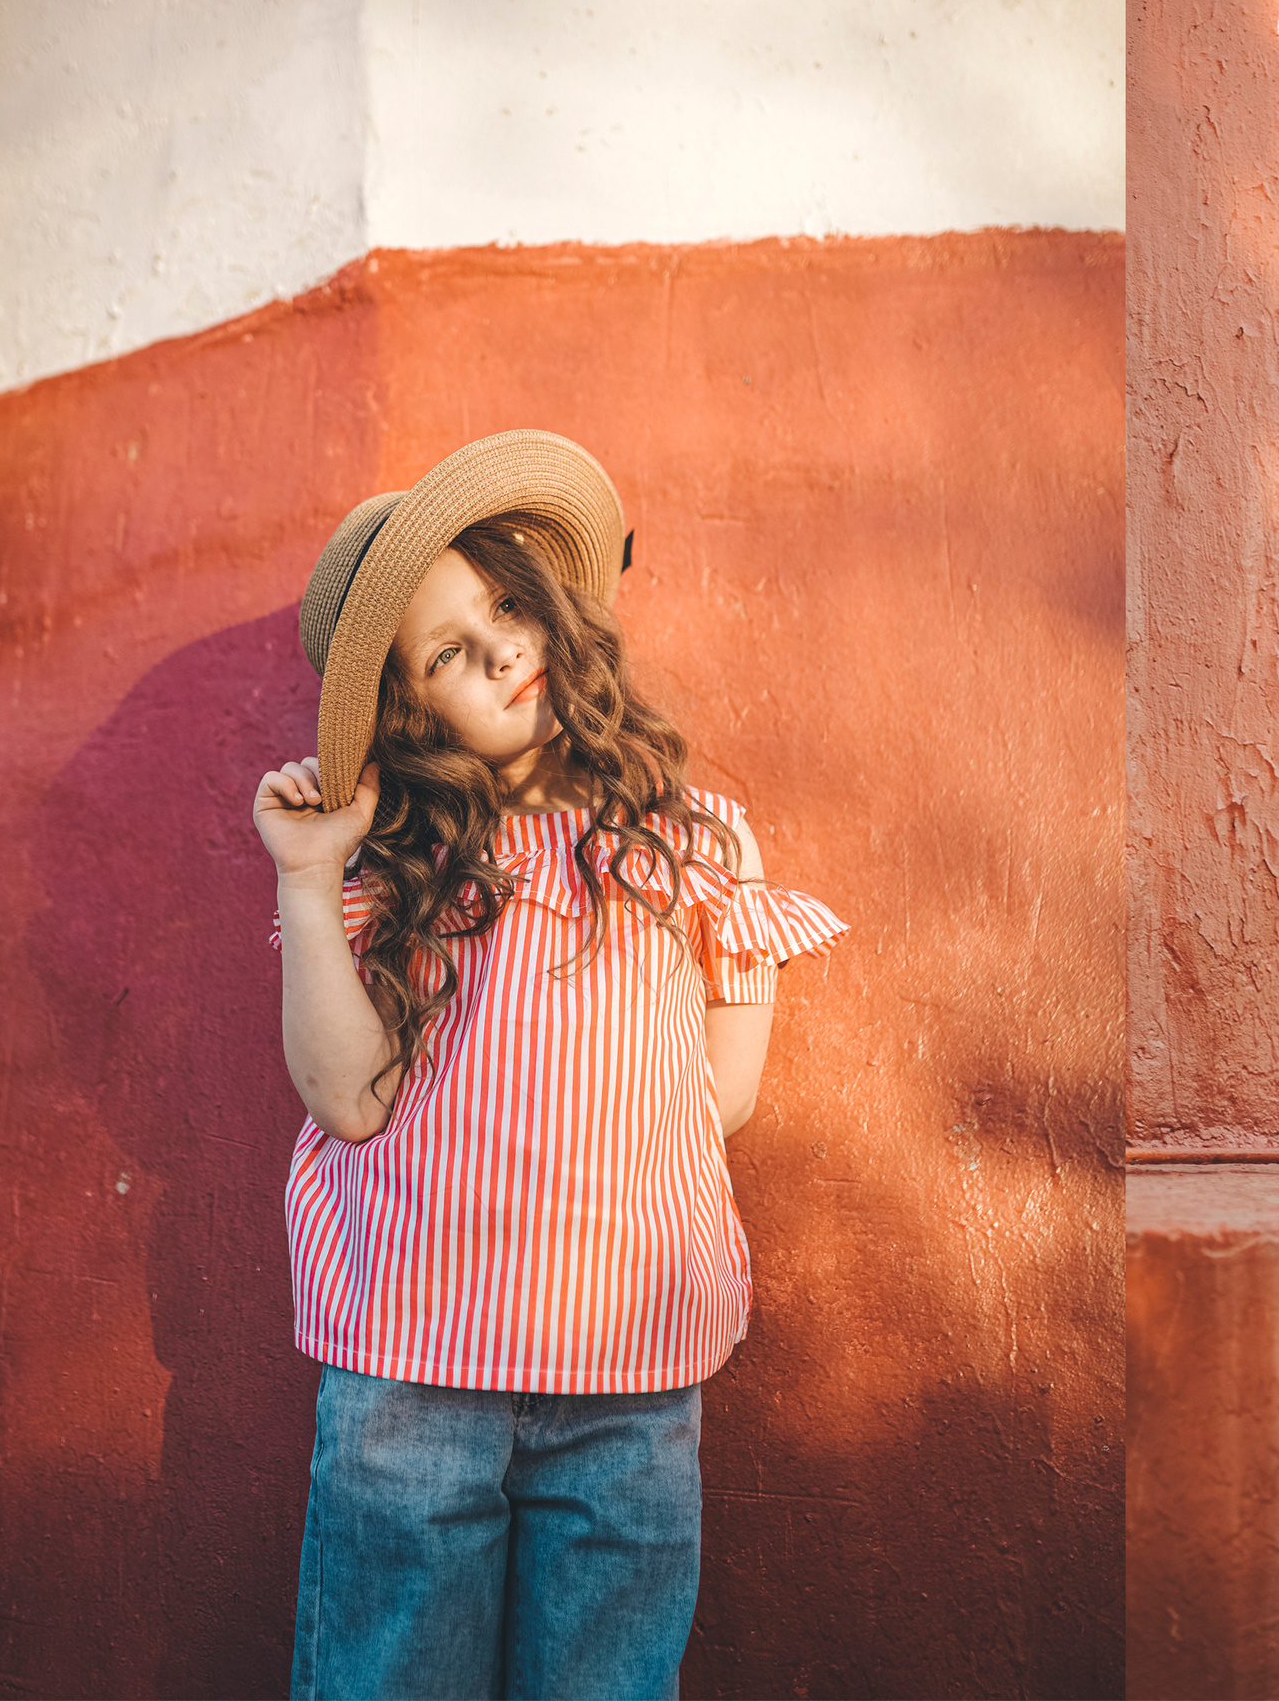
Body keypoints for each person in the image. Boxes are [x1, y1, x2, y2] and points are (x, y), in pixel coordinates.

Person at [252, 430, 846, 1700]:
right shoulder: (393, 863)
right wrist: (310, 878)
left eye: (509, 608)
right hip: (414, 1365)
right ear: (413, 710)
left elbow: (718, 1097)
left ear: (559, 610)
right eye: (450, 654)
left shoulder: (694, 840)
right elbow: (347, 1099)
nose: (503, 652)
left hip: (626, 1377)